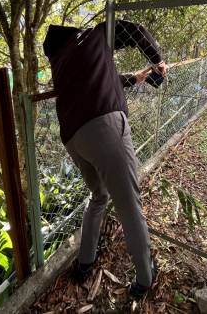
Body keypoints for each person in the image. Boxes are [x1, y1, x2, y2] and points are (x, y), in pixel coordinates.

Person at [42, 19, 167, 299]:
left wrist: (132, 79)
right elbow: (136, 30)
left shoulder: (61, 61)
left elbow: (99, 78)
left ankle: (85, 261)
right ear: (72, 31)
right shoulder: (92, 36)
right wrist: (158, 62)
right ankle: (145, 277)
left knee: (99, 196)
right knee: (128, 203)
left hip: (74, 140)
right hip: (104, 128)